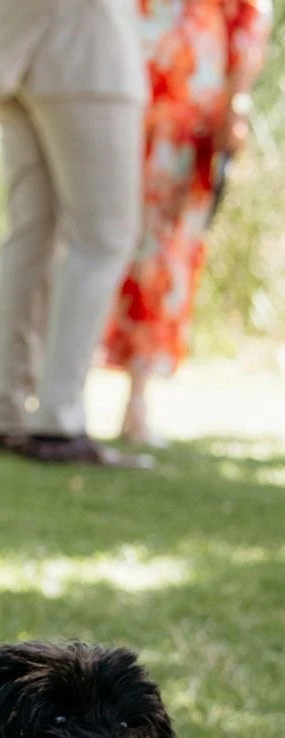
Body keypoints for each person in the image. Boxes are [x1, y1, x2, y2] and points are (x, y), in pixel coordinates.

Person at [0, 0, 151, 466]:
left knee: (31, 237)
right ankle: (58, 423)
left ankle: (6, 414)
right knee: (101, 238)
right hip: (84, 57)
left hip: (17, 56)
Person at [103, 0, 273, 445]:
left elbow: (250, 18)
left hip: (188, 100)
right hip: (119, 82)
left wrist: (236, 99)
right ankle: (61, 395)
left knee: (162, 249)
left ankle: (136, 397)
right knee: (96, 233)